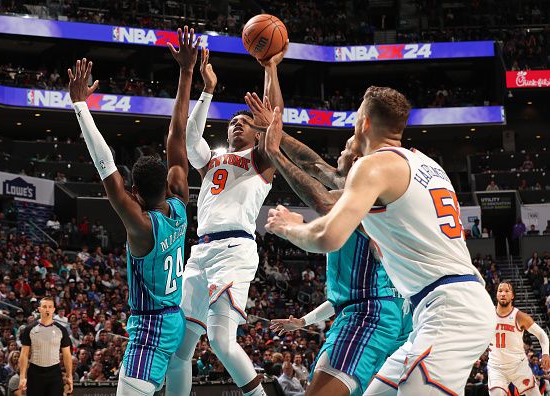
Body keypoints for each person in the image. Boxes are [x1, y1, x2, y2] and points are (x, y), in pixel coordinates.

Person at [265, 86, 496, 395]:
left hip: (448, 309)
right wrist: (277, 140)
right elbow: (324, 174)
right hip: (439, 304)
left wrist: (286, 227)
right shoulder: (424, 164)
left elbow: (327, 235)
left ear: (365, 123)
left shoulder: (373, 167)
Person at [246, 90, 410, 395]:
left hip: (370, 316)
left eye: (349, 143)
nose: (342, 149)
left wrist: (274, 152)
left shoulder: (366, 190)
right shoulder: (385, 181)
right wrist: (274, 132)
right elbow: (313, 165)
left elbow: (322, 201)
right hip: (390, 313)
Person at [67, 27, 193, 396]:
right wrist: (186, 73)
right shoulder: (181, 203)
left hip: (151, 329)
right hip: (175, 320)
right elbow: (178, 135)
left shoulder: (142, 227)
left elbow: (106, 169)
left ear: (135, 193)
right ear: (169, 185)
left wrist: (79, 105)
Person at [165, 35, 286, 396]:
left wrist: (271, 69)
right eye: (233, 121)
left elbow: (274, 122)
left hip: (235, 249)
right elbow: (189, 140)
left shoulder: (260, 161)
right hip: (200, 253)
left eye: (245, 122)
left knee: (220, 339)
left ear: (256, 133)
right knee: (179, 350)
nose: (237, 123)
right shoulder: (211, 162)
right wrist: (207, 91)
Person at [488, 282, 550, 396]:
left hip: (518, 366)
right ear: (496, 294)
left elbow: (541, 335)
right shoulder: (487, 314)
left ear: (512, 296)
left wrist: (545, 353)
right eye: (500, 291)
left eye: (507, 291)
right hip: (496, 367)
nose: (503, 294)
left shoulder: (520, 316)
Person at [19, 297, 73, 396]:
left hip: (54, 372)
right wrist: (22, 377)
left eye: (50, 307)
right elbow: (24, 354)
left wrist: (69, 376)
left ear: (53, 309)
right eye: (44, 306)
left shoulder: (61, 330)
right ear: (39, 309)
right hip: (35, 372)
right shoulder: (29, 329)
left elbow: (67, 355)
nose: (47, 309)